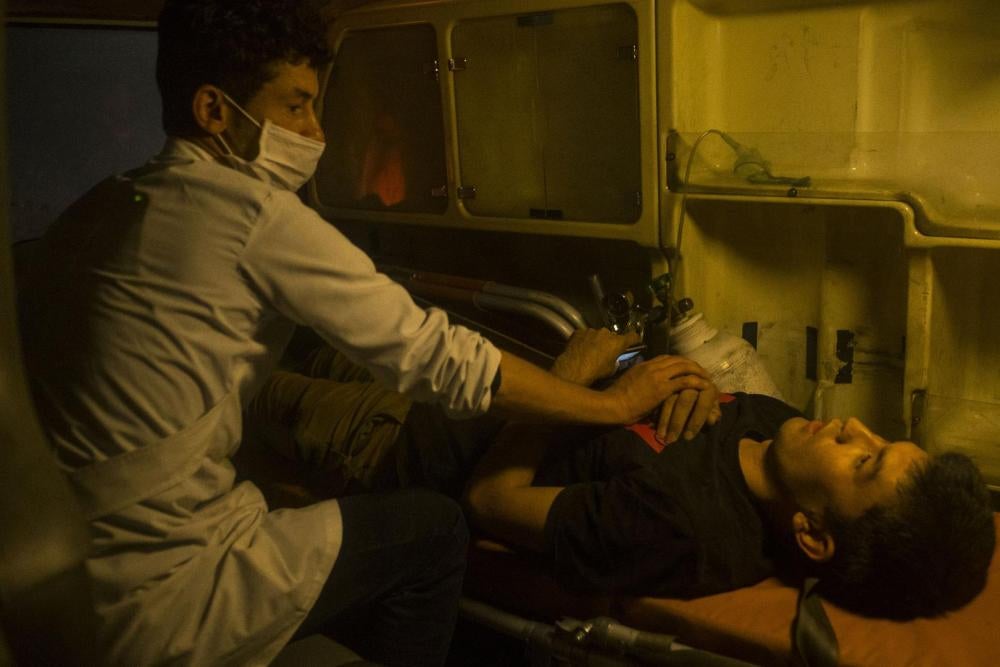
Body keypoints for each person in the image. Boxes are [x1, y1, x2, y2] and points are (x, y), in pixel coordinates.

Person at [17, 2, 716, 665]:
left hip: (77, 562)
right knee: (435, 531)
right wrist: (610, 403)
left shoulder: (101, 206)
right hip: (163, 589)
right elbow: (437, 356)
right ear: (212, 111)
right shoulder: (249, 214)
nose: (316, 132)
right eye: (295, 105)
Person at [247, 330, 995, 621]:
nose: (850, 425)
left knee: (235, 390)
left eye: (862, 460)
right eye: (878, 435)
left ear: (812, 531)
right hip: (457, 378)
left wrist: (572, 378)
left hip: (397, 438)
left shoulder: (681, 529)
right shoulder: (782, 432)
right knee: (287, 331)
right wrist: (681, 375)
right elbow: (648, 394)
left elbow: (488, 500)